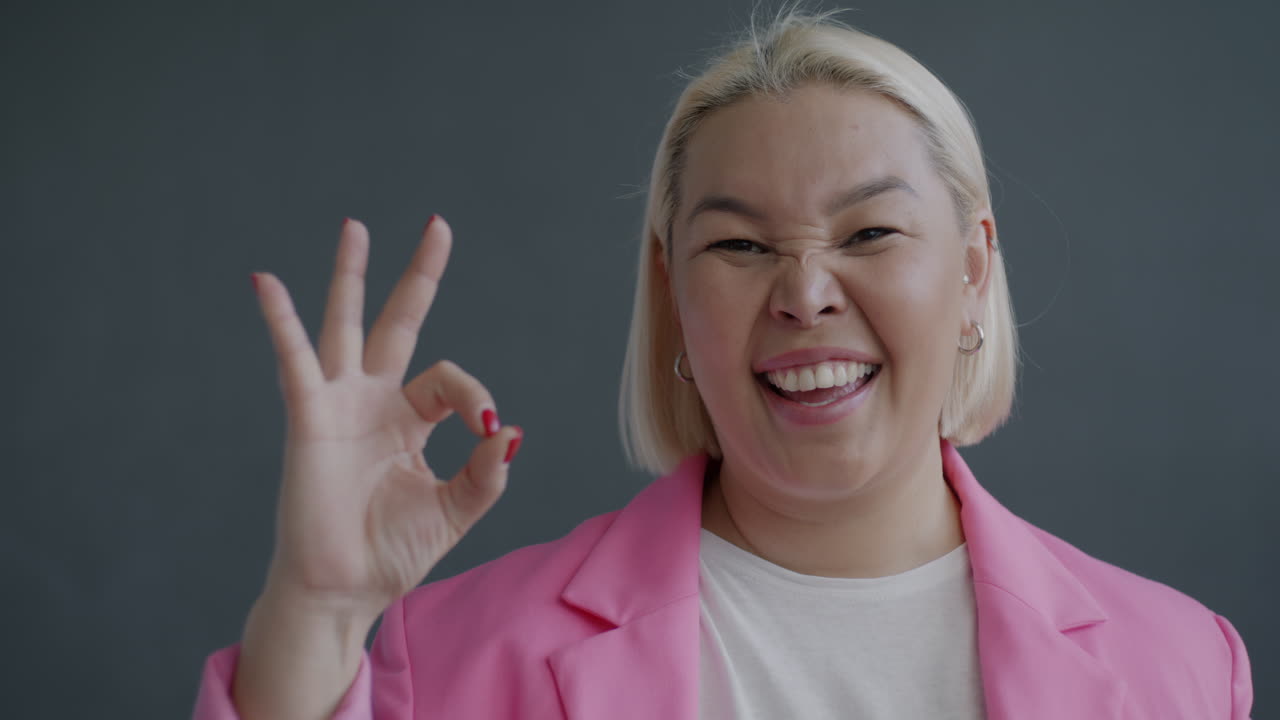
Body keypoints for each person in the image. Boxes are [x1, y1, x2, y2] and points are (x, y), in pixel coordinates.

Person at [191, 8, 1254, 720]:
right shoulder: (456, 658)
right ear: (671, 296)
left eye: (869, 234)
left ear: (972, 271)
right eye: (740, 245)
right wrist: (315, 610)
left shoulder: (1185, 667)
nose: (804, 292)